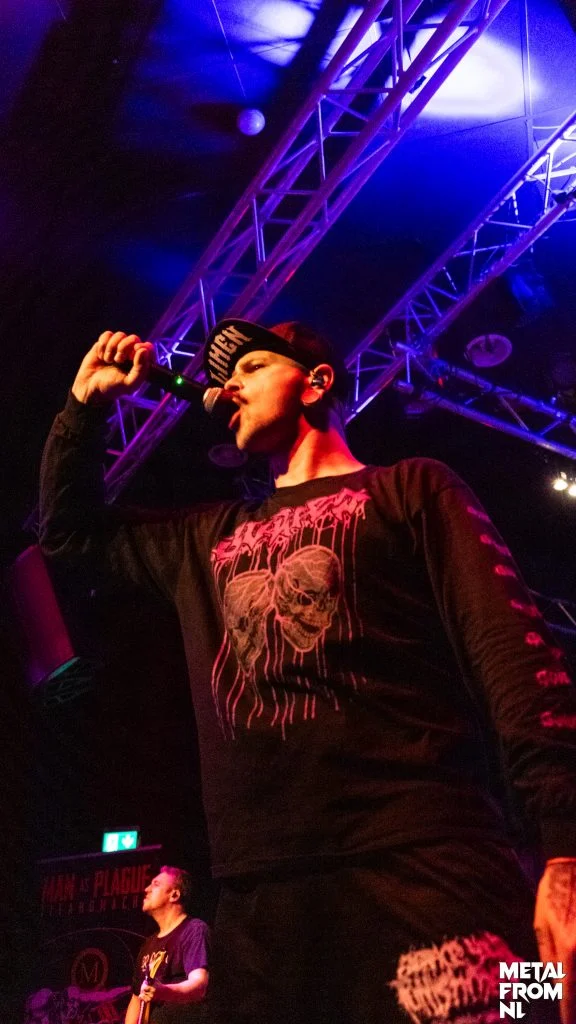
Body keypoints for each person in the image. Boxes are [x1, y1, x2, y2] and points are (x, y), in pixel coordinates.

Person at [40, 320, 576, 1024]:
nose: (230, 385)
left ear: (316, 383)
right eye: (224, 376)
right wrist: (84, 408)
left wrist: (564, 850)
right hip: (261, 904)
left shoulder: (412, 489)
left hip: (430, 871)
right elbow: (69, 534)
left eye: (252, 366)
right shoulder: (206, 537)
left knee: (532, 1003)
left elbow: (517, 656)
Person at [125, 865, 209, 1023]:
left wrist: (163, 991)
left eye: (156, 884)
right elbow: (136, 999)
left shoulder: (193, 930)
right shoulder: (148, 944)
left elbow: (199, 985)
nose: (146, 889)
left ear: (174, 895)